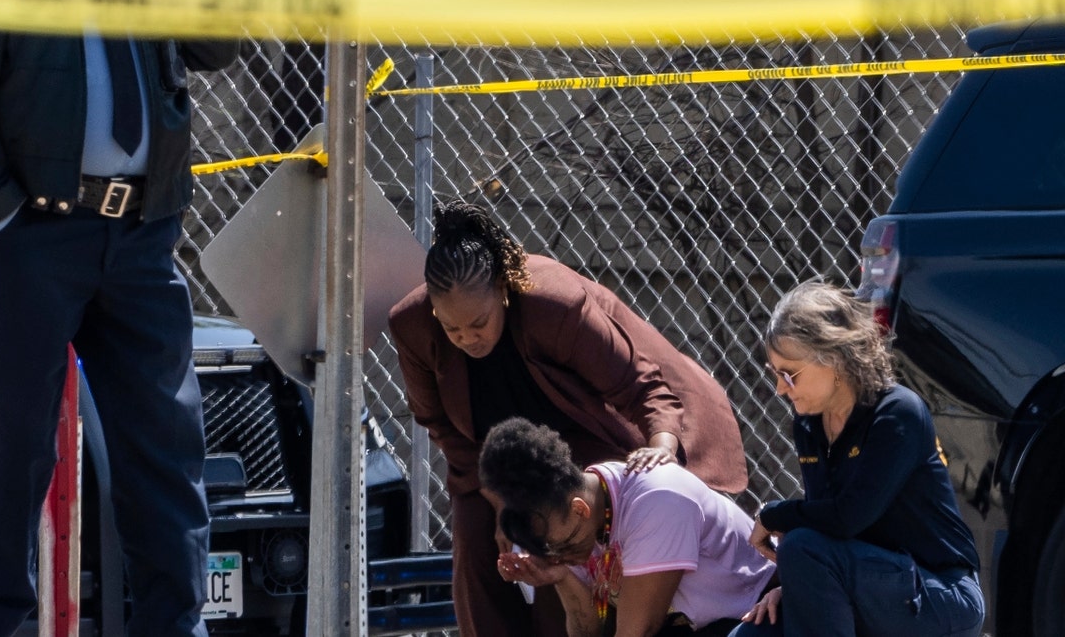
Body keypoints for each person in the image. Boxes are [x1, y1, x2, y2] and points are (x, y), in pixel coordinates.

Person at [0, 28, 238, 636]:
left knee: (165, 440)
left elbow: (218, 47)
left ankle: (175, 625)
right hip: (39, 234)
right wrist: (2, 216)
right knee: (17, 439)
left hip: (143, 235)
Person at [387, 199, 748, 636]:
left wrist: (662, 447)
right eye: (452, 328)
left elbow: (639, 386)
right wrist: (500, 502)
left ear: (503, 288)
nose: (467, 339)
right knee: (479, 552)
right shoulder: (412, 326)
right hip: (491, 462)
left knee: (561, 539)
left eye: (478, 323)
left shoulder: (553, 305)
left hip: (585, 435)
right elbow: (443, 426)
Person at [730, 281, 984, 637]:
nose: (780, 388)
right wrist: (797, 586)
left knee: (803, 546)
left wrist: (773, 514)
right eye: (775, 373)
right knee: (752, 633)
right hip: (870, 581)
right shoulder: (808, 423)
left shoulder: (897, 412)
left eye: (789, 374)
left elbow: (848, 517)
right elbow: (823, 528)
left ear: (833, 359)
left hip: (940, 595)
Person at [480, 417, 776, 637]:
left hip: (757, 611)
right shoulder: (575, 524)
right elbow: (589, 632)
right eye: (554, 555)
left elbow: (638, 631)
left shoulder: (656, 499)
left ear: (579, 509)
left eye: (564, 549)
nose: (566, 558)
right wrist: (561, 577)